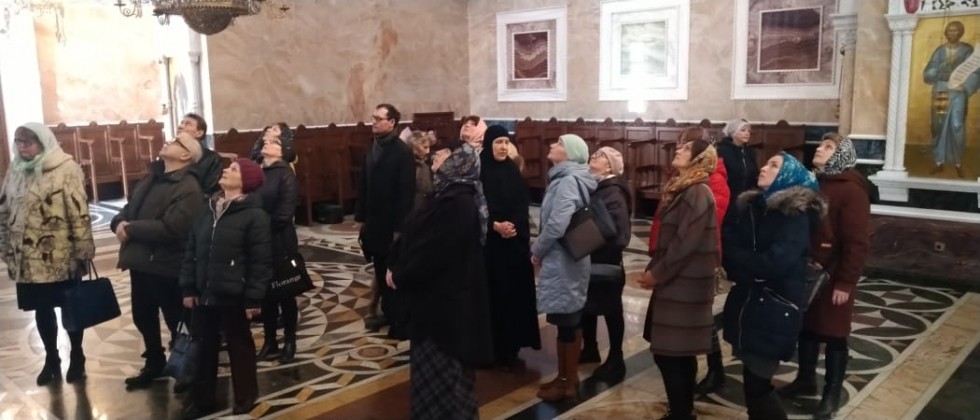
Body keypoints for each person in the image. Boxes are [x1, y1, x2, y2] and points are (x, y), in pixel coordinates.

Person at [386, 141, 493, 419]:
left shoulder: (456, 202)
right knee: (438, 379)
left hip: (443, 308)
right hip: (441, 303)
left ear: (459, 164)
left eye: (445, 154)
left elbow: (432, 252)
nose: (437, 156)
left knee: (445, 382)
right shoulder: (449, 195)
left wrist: (401, 273)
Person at [722, 152, 826, 419]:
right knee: (753, 382)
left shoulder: (794, 215)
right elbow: (730, 244)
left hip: (775, 306)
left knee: (758, 386)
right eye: (767, 163)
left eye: (774, 165)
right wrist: (745, 264)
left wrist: (744, 263)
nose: (764, 168)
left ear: (787, 175)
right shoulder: (755, 206)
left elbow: (774, 262)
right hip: (751, 303)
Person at [780, 133, 870, 420]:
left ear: (841, 155)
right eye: (820, 145)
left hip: (833, 275)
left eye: (828, 146)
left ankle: (831, 394)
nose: (819, 149)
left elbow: (856, 242)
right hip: (806, 270)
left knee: (834, 334)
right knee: (807, 327)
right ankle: (805, 380)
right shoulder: (814, 182)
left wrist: (845, 282)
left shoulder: (851, 190)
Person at [0, 123, 95, 386]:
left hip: (61, 255)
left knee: (70, 309)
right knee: (41, 310)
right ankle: (51, 358)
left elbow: (79, 210)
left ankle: (77, 356)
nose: (22, 147)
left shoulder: (66, 168)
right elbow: (4, 208)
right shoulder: (16, 169)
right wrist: (5, 246)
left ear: (43, 143)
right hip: (27, 258)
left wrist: (83, 250)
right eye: (18, 142)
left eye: (28, 143)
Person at [111, 132, 205, 390]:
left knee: (176, 320)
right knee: (143, 316)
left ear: (186, 155)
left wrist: (130, 229)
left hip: (167, 265)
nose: (168, 141)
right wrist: (118, 222)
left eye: (176, 141)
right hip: (140, 262)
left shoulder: (188, 187)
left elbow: (172, 227)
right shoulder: (152, 177)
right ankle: (154, 362)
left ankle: (184, 367)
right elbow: (129, 208)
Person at [179, 158, 271, 418]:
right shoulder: (207, 209)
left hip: (234, 293)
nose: (226, 171)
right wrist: (188, 287)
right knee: (204, 346)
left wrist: (253, 298)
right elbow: (191, 250)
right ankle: (203, 398)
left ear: (246, 181)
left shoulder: (255, 216)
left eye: (234, 169)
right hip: (204, 290)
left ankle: (246, 395)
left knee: (239, 346)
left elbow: (260, 262)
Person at [639, 140, 720, 420]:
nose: (678, 150)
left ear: (699, 158)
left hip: (685, 283)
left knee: (671, 353)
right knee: (676, 353)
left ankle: (682, 413)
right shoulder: (686, 187)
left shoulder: (697, 191)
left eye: (686, 149)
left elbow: (686, 242)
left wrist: (657, 272)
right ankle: (682, 411)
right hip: (678, 281)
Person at [531, 133, 596, 402]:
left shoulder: (568, 180)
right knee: (566, 320)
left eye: (559, 143)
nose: (552, 145)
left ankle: (567, 383)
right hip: (566, 259)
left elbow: (557, 225)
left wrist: (537, 250)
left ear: (570, 153)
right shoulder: (566, 177)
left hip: (564, 260)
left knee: (567, 320)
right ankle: (566, 377)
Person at [480, 125, 541, 370]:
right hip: (489, 248)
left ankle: (511, 347)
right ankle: (491, 349)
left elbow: (521, 206)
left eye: (507, 142)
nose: (504, 147)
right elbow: (475, 207)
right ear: (489, 144)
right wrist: (494, 225)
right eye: (499, 142)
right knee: (492, 298)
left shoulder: (512, 171)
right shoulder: (479, 171)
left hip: (513, 245)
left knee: (513, 297)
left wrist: (512, 226)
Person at [355, 103, 416, 338]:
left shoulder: (402, 152)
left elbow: (405, 193)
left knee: (394, 274)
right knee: (380, 271)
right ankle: (388, 314)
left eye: (379, 119)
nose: (374, 122)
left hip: (392, 224)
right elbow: (363, 184)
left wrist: (400, 228)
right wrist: (360, 218)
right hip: (373, 221)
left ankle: (399, 321)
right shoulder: (371, 146)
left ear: (392, 123)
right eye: (374, 118)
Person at [579, 146, 631, 383]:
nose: (594, 156)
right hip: (592, 256)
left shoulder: (613, 191)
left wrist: (594, 245)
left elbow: (620, 234)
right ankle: (590, 348)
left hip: (606, 259)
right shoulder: (597, 186)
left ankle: (616, 359)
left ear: (610, 166)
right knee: (587, 306)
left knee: (611, 310)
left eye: (600, 156)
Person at [254, 131, 301, 364]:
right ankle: (269, 340)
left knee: (285, 292)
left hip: (280, 240)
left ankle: (290, 340)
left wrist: (258, 227)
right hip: (259, 240)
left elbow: (285, 212)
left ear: (283, 152)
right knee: (265, 294)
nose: (267, 142)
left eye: (274, 142)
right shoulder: (257, 170)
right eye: (266, 140)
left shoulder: (285, 174)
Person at [923, 21, 975, 178]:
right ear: (946, 32)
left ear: (960, 32)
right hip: (941, 90)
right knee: (938, 124)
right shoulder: (940, 51)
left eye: (955, 30)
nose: (952, 33)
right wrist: (938, 70)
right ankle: (939, 161)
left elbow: (975, 71)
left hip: (958, 92)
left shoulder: (967, 50)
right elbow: (928, 73)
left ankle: (957, 162)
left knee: (957, 125)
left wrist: (965, 85)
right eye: (949, 30)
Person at [179, 113, 222, 195]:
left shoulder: (212, 159)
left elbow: (209, 190)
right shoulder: (171, 155)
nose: (180, 126)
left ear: (199, 133)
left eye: (187, 124)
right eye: (181, 123)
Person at [405, 130, 436, 212]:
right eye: (425, 147)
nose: (428, 151)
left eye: (429, 147)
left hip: (426, 207)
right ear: (414, 147)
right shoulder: (406, 165)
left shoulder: (426, 163)